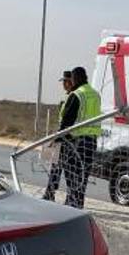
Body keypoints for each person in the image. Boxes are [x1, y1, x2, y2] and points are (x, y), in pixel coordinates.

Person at [59, 66, 102, 209]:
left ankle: (72, 203)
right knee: (83, 176)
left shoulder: (77, 94)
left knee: (72, 174)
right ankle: (78, 203)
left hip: (76, 141)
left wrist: (58, 138)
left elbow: (67, 120)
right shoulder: (95, 94)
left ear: (75, 78)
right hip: (92, 141)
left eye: (71, 78)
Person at [42, 70, 73, 202]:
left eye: (67, 81)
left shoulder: (73, 97)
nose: (64, 84)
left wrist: (57, 138)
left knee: (66, 170)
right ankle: (50, 193)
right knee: (55, 168)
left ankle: (63, 196)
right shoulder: (66, 97)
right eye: (64, 82)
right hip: (61, 136)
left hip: (67, 138)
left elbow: (67, 121)